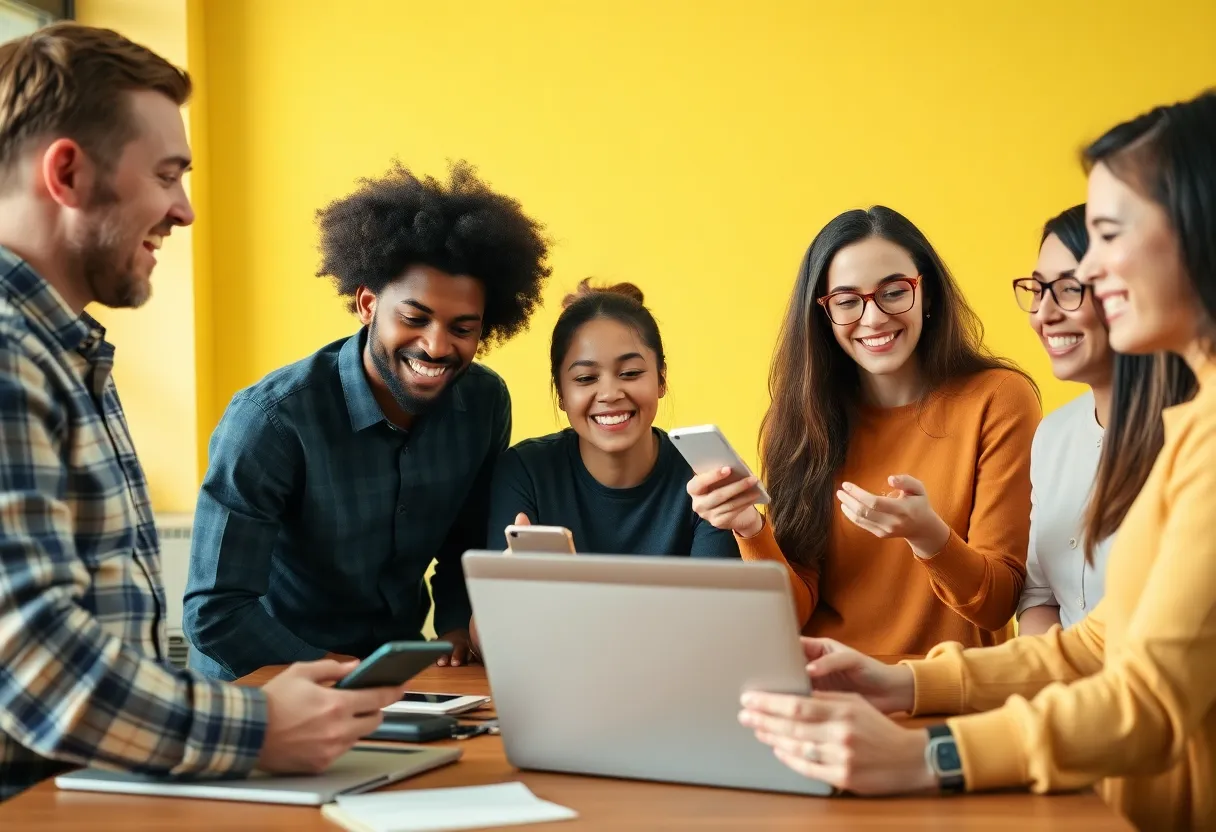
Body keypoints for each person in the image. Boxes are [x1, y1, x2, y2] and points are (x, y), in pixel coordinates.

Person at [736, 90, 1216, 832]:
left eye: (1110, 235)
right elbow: (1094, 644)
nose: (1090, 277)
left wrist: (930, 757)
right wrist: (901, 684)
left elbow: (1146, 702)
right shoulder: (1191, 426)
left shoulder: (1192, 436)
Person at [0, 23, 405, 802]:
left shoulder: (61, 350)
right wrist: (256, 725)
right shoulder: (10, 353)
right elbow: (35, 662)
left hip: (86, 795)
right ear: (68, 172)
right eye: (166, 173)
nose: (184, 211)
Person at [183, 161, 551, 681]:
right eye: (415, 318)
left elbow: (466, 545)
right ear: (368, 304)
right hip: (260, 687)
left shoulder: (484, 403)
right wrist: (335, 671)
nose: (437, 346)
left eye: (462, 328)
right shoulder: (271, 421)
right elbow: (215, 612)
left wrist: (453, 623)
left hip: (393, 679)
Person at [689, 206, 1040, 655]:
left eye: (894, 292)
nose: (873, 318)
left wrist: (929, 536)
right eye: (847, 301)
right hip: (827, 687)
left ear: (926, 293)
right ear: (824, 314)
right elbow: (791, 616)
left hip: (947, 695)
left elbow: (997, 606)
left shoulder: (998, 399)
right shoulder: (801, 419)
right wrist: (748, 528)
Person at [1015, 207, 1196, 634]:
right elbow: (1039, 599)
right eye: (1038, 290)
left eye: (1069, 289)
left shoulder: (1191, 436)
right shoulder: (1053, 435)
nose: (1043, 314)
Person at [486, 279, 739, 557]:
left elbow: (713, 600)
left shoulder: (705, 478)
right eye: (585, 378)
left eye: (630, 373)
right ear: (561, 393)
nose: (609, 394)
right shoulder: (525, 473)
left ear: (661, 379)